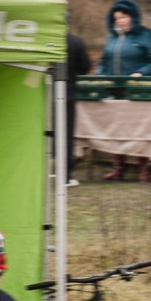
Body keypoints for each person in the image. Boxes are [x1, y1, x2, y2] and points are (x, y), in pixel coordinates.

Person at [97, 0, 151, 182]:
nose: (120, 21)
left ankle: (143, 168)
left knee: (138, 129)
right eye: (116, 18)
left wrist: (141, 73)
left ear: (133, 17)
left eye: (123, 17)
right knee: (117, 128)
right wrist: (100, 75)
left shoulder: (146, 35)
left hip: (137, 91)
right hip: (114, 90)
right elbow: (103, 60)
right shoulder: (112, 37)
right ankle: (118, 167)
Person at [66, 29, 92, 186]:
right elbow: (85, 67)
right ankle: (65, 174)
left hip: (39, 92)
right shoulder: (75, 42)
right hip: (67, 93)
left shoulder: (42, 39)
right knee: (65, 134)